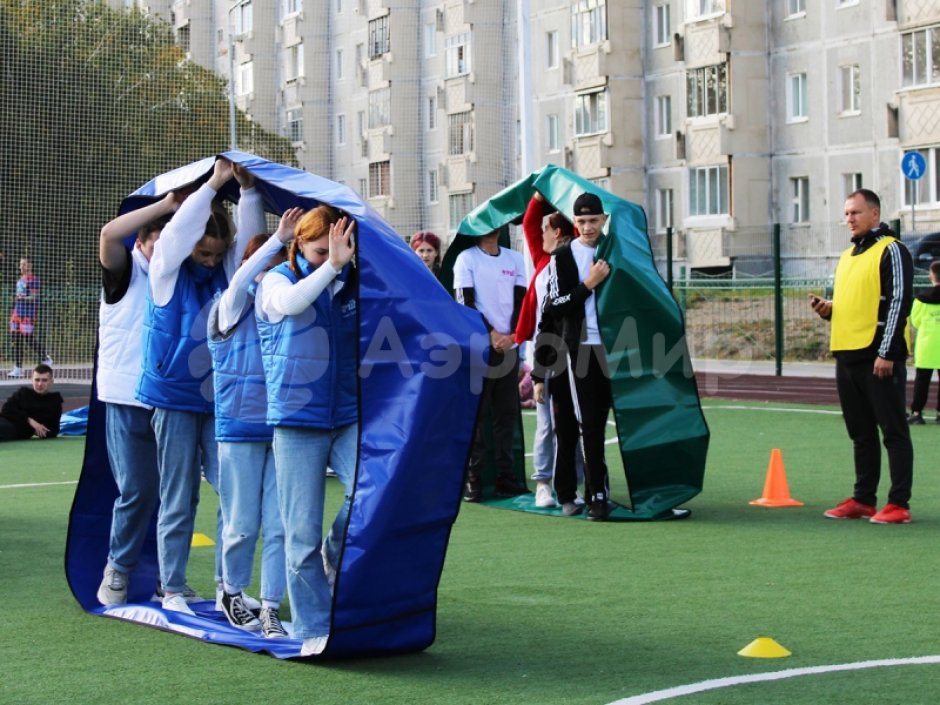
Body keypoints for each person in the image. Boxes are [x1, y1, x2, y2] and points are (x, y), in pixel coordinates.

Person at [136, 157, 265, 613]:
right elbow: (174, 238)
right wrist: (213, 185)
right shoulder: (165, 273)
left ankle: (227, 585)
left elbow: (249, 249)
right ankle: (170, 586)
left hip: (220, 401)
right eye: (202, 253)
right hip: (172, 399)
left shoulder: (225, 279)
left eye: (215, 254)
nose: (209, 261)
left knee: (234, 490)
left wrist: (249, 193)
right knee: (179, 493)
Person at [256, 205, 357, 656]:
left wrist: (341, 267)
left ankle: (334, 555)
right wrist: (331, 266)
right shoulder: (275, 279)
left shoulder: (351, 278)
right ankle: (312, 628)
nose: (332, 257)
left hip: (348, 413)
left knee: (368, 496)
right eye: (321, 250)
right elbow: (293, 305)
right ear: (300, 244)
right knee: (300, 534)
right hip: (297, 420)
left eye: (342, 249)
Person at [207, 213, 302, 639]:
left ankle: (269, 606)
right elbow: (241, 279)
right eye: (266, 266)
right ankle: (230, 591)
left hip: (280, 431)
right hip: (239, 431)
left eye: (281, 266)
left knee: (280, 524)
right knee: (242, 523)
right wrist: (276, 239)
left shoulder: (286, 312)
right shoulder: (228, 308)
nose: (272, 276)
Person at [810, 188, 914, 524]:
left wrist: (887, 352)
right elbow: (855, 302)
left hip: (878, 357)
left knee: (893, 431)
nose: (849, 219)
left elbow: (899, 301)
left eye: (855, 212)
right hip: (847, 355)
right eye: (846, 213)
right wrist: (829, 311)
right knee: (861, 434)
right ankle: (863, 499)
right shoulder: (846, 256)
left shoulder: (892, 250)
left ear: (874, 214)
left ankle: (899, 504)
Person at [95, 193, 176, 606]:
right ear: (142, 243)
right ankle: (118, 570)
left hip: (171, 399)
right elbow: (109, 234)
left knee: (175, 494)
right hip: (127, 396)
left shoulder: (181, 274)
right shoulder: (126, 271)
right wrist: (164, 207)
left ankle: (170, 579)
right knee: (138, 490)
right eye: (158, 242)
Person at [542, 192, 612, 520]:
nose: (587, 227)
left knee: (606, 420)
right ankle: (593, 495)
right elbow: (553, 306)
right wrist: (588, 284)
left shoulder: (616, 250)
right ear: (574, 223)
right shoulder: (562, 257)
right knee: (586, 423)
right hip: (579, 349)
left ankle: (610, 489)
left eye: (593, 220)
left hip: (616, 348)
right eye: (581, 221)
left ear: (603, 220)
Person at [516, 192, 584, 510]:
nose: (539, 234)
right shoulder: (543, 260)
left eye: (547, 228)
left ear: (557, 232)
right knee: (546, 419)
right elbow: (530, 222)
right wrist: (540, 196)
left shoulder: (575, 258)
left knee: (573, 420)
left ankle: (574, 484)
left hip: (572, 347)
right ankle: (543, 483)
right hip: (545, 347)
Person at [454, 228, 530, 502]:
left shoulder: (514, 259)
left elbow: (523, 302)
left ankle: (506, 478)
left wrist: (512, 337)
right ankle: (474, 481)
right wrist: (490, 333)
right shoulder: (466, 258)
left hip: (508, 347)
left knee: (506, 414)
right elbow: (465, 302)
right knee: (476, 415)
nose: (493, 229)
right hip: (478, 348)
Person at [907, 260, 940, 425]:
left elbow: (916, 321)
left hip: (927, 345)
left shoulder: (921, 299)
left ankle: (917, 412)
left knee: (922, 381)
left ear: (931, 276)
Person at [8, 257, 52, 378]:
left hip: (28, 314)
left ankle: (45, 357)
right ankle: (18, 368)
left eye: (24, 264)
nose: (21, 267)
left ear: (30, 265)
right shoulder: (20, 280)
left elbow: (34, 297)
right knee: (16, 340)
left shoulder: (34, 280)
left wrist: (23, 298)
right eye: (20, 264)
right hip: (17, 314)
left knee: (28, 339)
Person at [0, 364, 62, 441]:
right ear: (32, 380)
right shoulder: (23, 393)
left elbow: (53, 430)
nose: (40, 384)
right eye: (37, 380)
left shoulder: (54, 401)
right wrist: (30, 421)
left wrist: (36, 430)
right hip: (4, 421)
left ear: (51, 381)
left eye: (44, 380)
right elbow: (6, 409)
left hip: (12, 429)